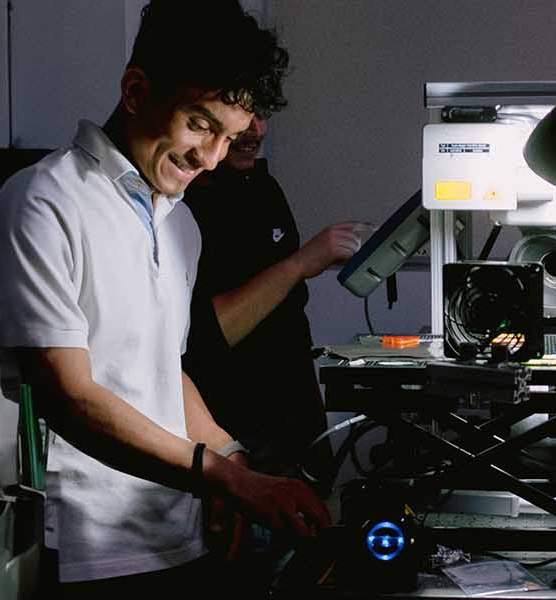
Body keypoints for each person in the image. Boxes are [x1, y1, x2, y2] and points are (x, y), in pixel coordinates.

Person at [0, 1, 328, 595]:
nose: (212, 157)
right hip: (89, 551)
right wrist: (221, 476)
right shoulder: (44, 202)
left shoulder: (179, 223)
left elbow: (166, 373)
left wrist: (230, 456)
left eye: (230, 137)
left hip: (181, 531)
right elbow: (70, 396)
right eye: (199, 124)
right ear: (137, 90)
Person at [178, 114, 369, 583]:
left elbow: (285, 319)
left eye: (261, 114)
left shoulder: (264, 188)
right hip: (239, 438)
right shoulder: (192, 202)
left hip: (295, 429)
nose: (255, 130)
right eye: (241, 116)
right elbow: (208, 337)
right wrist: (304, 261)